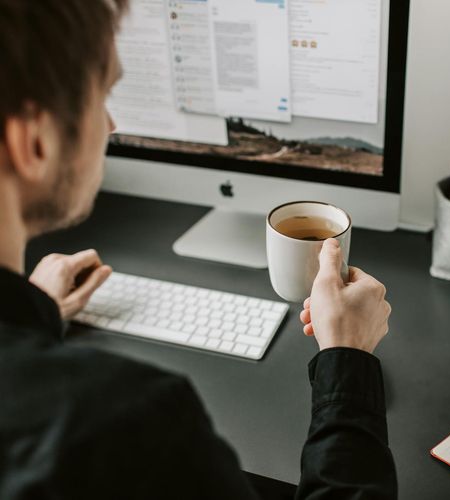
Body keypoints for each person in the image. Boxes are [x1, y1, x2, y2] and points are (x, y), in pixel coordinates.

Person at [0, 1, 396, 498]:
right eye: (102, 95)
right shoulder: (129, 423)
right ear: (34, 141)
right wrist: (348, 358)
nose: (112, 125)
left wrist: (26, 317)